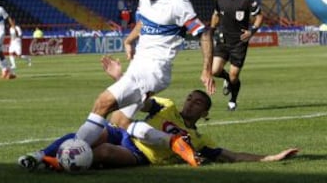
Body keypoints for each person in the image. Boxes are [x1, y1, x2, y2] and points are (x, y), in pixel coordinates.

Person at [17, 57, 298, 171]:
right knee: (97, 134)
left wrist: (270, 157)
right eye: (191, 97)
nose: (191, 102)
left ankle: (53, 164)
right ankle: (41, 155)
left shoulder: (199, 139)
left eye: (199, 102)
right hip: (126, 133)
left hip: (140, 155)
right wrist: (121, 76)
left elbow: (231, 156)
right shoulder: (168, 106)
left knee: (101, 153)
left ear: (206, 114)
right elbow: (138, 98)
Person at [74, 0, 216, 167]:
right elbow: (145, 21)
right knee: (119, 121)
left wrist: (207, 70)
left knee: (102, 103)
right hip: (139, 64)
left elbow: (203, 34)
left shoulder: (178, 3)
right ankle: (173, 141)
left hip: (153, 70)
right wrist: (130, 40)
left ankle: (72, 153)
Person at [210, 0, 263, 111]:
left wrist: (252, 31)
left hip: (239, 42)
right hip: (223, 40)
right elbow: (215, 15)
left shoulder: (247, 0)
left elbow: (259, 16)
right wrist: (211, 30)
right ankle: (226, 80)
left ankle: (232, 101)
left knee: (234, 76)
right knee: (214, 71)